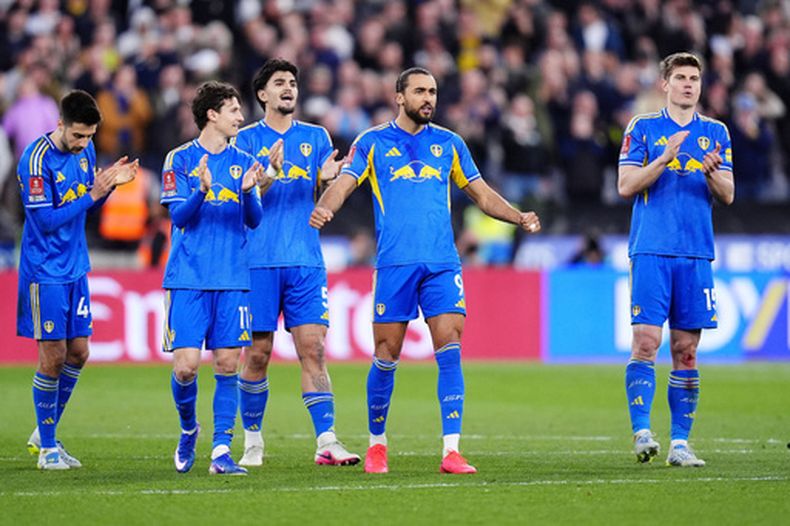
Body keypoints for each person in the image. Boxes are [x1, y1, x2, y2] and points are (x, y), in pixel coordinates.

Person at [309, 67, 541, 474]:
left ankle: (451, 450)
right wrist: (326, 205)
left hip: (442, 263)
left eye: (432, 91)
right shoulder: (373, 142)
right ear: (400, 96)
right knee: (386, 354)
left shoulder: (450, 144)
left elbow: (481, 193)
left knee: (450, 350)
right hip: (395, 264)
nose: (428, 98)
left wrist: (517, 216)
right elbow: (345, 182)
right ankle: (377, 445)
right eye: (419, 91)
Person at [230, 58, 359, 467]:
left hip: (305, 261)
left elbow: (323, 191)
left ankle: (327, 440)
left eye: (293, 83)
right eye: (279, 83)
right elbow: (241, 200)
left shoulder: (317, 136)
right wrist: (267, 173)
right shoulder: (244, 140)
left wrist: (327, 178)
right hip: (257, 262)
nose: (288, 88)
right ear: (262, 94)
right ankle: (252, 441)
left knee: (314, 348)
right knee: (258, 353)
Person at [617, 52, 734, 467]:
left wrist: (711, 172)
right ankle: (642, 431)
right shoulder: (643, 128)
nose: (688, 84)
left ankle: (680, 444)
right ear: (664, 84)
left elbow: (729, 194)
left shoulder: (716, 132)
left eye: (695, 78)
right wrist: (664, 158)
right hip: (650, 249)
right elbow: (626, 184)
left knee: (686, 350)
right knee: (646, 341)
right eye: (681, 77)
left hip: (696, 253)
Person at [18, 90, 137, 470]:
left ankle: (44, 432)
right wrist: (94, 192)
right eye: (77, 136)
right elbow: (46, 221)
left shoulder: (84, 153)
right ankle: (49, 449)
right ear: (60, 124)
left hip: (75, 266)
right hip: (45, 270)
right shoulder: (35, 162)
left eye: (89, 137)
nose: (84, 144)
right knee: (52, 357)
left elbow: (86, 205)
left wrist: (109, 186)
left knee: (80, 352)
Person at [160, 81, 265, 476]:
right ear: (212, 115)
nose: (241, 116)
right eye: (234, 110)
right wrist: (201, 191)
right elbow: (178, 218)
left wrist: (251, 192)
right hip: (188, 277)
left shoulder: (244, 160)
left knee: (226, 364)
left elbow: (253, 221)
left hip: (233, 278)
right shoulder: (180, 159)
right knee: (186, 367)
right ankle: (189, 429)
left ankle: (221, 451)